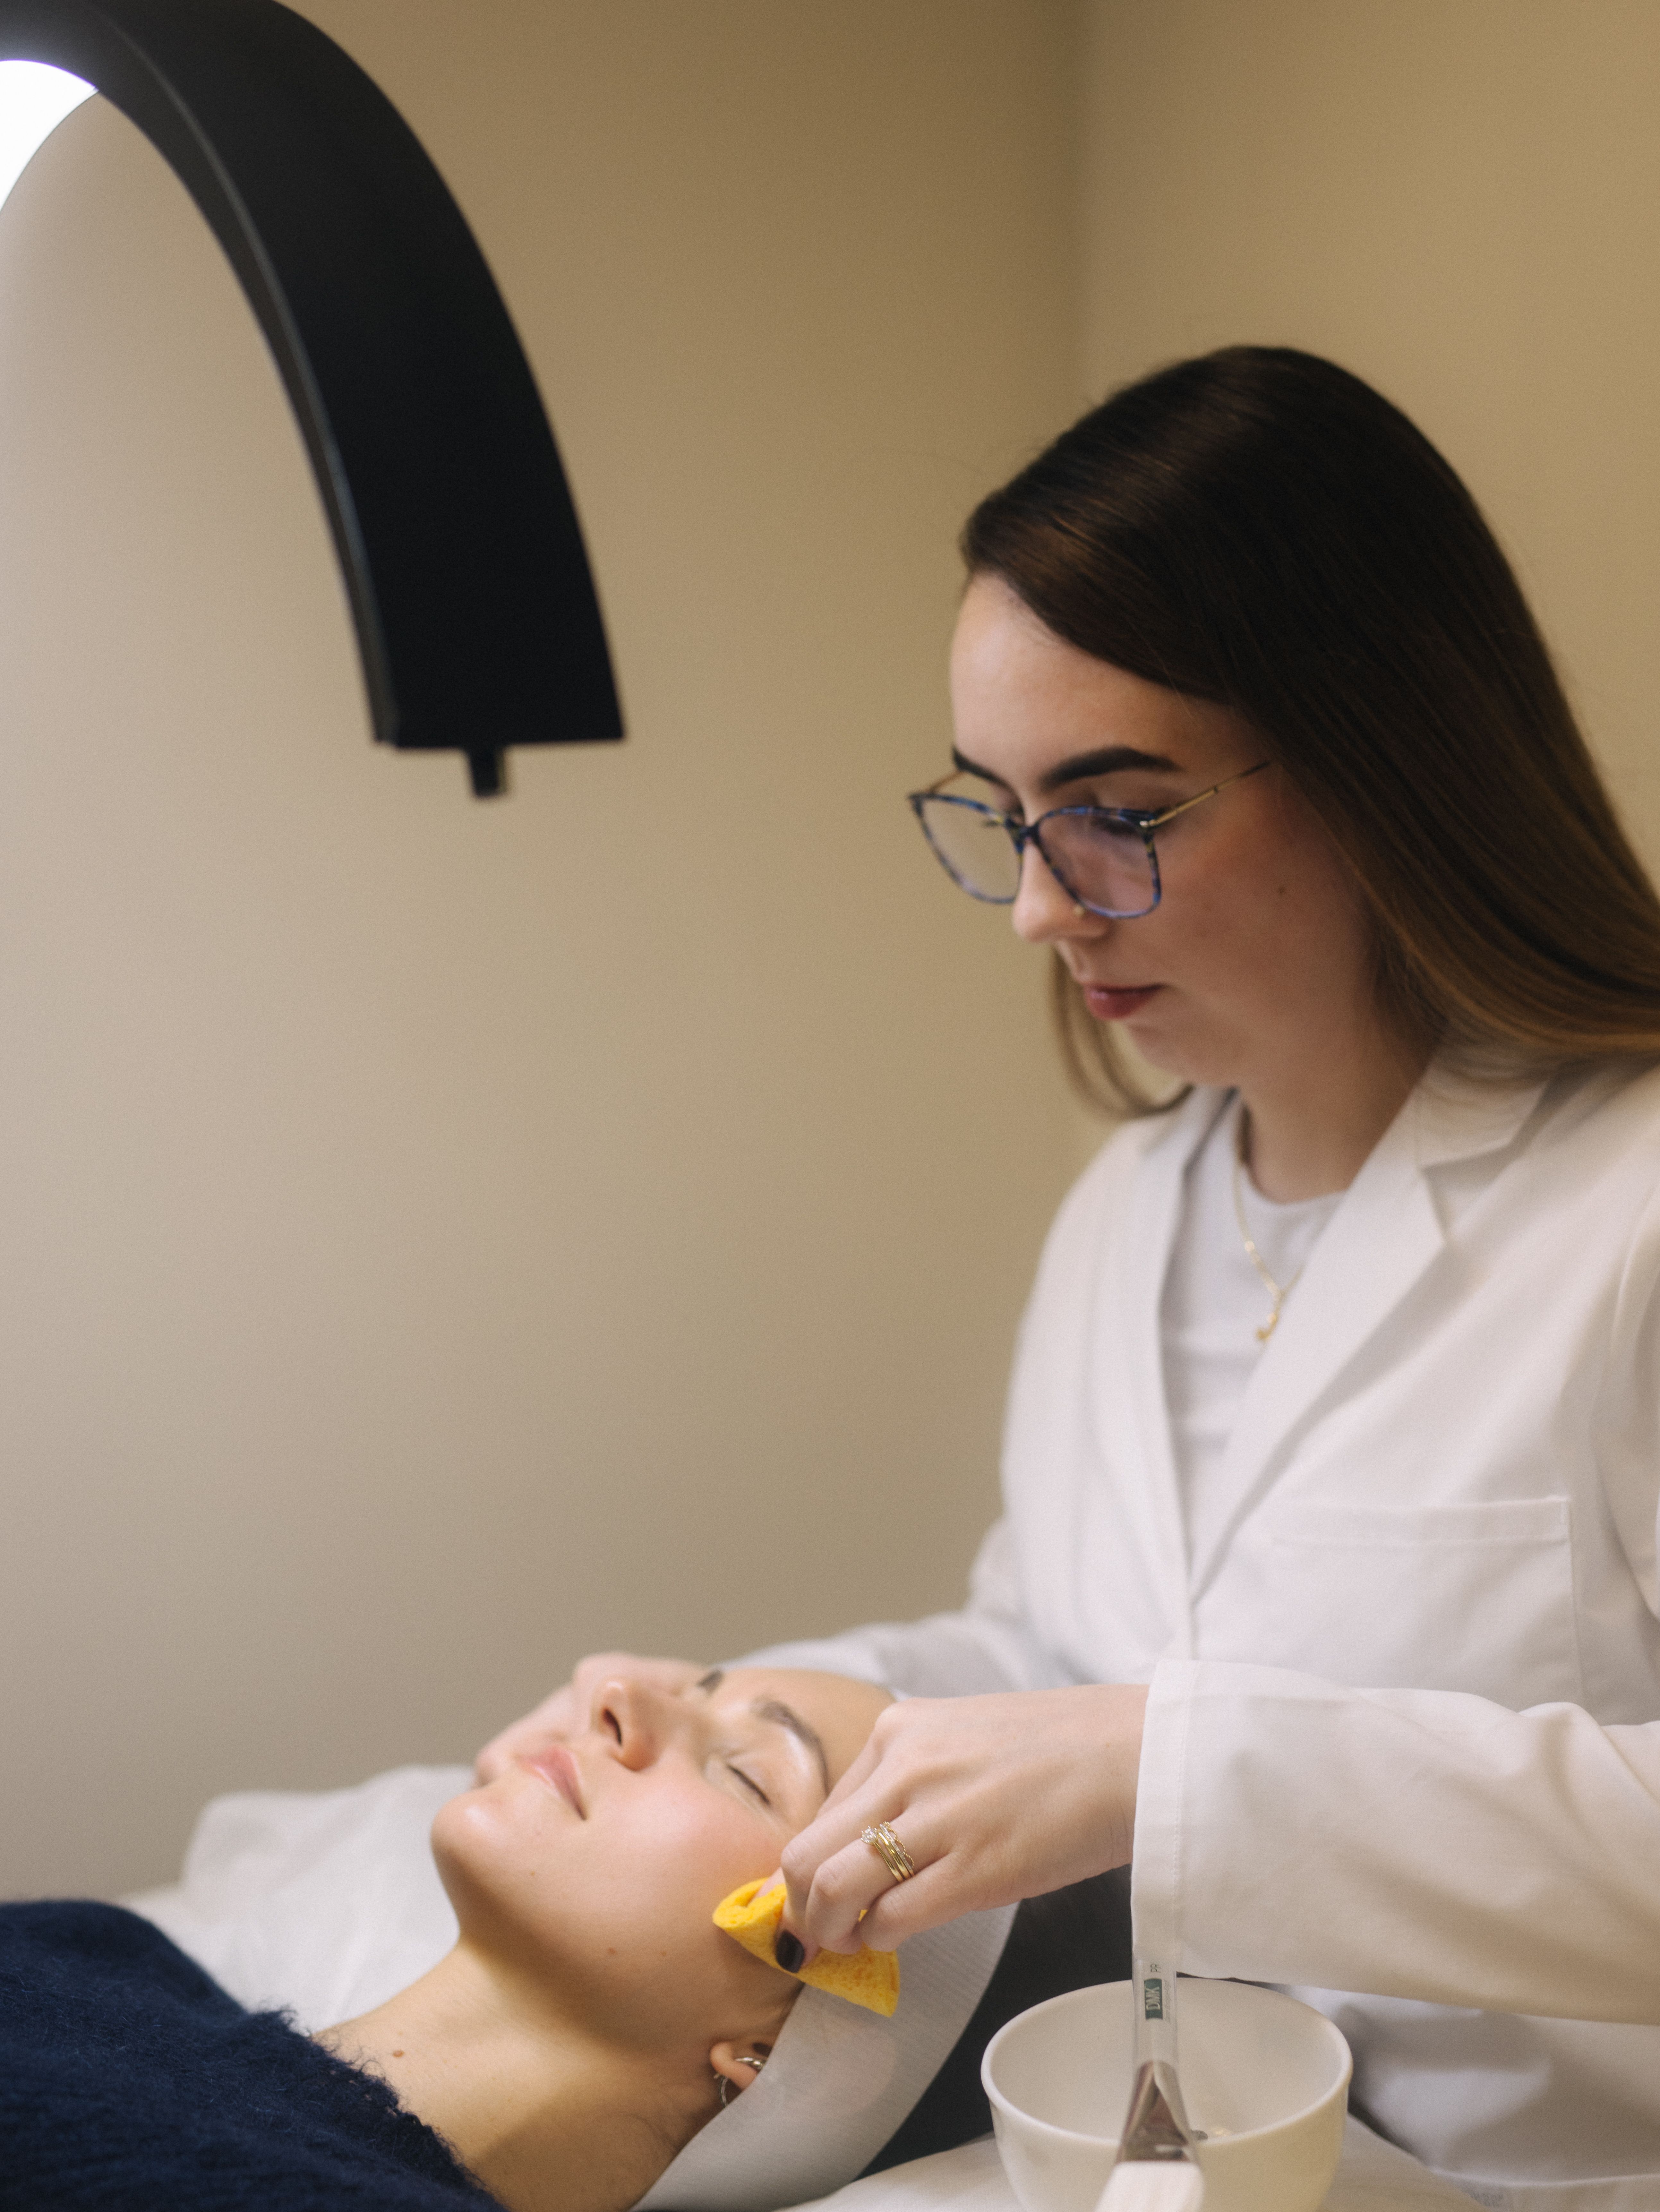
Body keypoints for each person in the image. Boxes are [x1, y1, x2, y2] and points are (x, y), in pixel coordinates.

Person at [478, 347, 1660, 2210]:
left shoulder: (1627, 1208)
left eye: (1118, 809)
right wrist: (727, 1717)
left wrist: (1168, 1771)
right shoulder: (1130, 1209)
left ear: (1385, 756)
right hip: (1187, 2151)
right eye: (1007, 813)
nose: (1039, 904)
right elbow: (1052, 1660)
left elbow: (1134, 1734)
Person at [6, 1662, 1098, 2212]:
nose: (613, 1692)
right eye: (700, 1685)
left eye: (748, 1774)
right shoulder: (102, 1959)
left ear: (772, 2057)